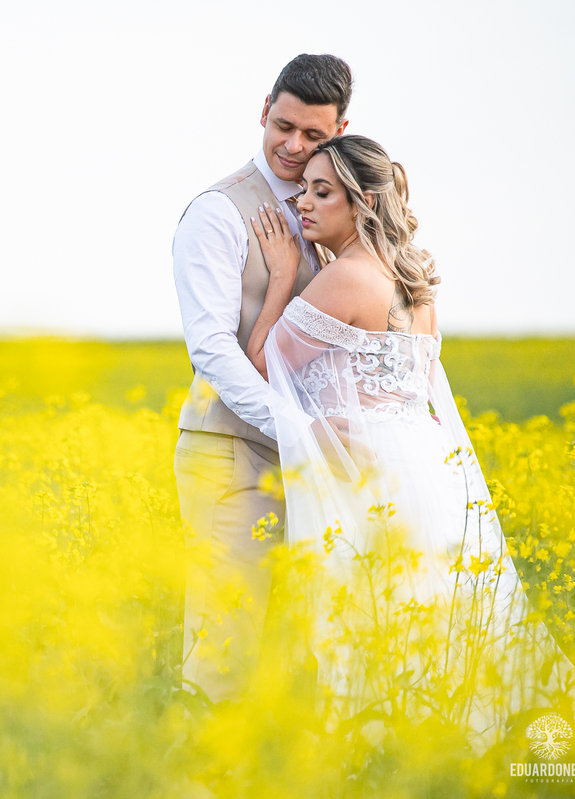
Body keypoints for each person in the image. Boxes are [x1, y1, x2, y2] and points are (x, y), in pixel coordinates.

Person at [245, 134, 575, 748]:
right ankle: (453, 750)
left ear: (363, 202)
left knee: (370, 620)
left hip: (364, 471)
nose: (303, 204)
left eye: (322, 193)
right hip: (425, 468)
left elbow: (265, 359)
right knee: (428, 613)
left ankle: (378, 754)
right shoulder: (415, 283)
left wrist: (282, 279)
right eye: (304, 191)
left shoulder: (347, 277)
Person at [172, 53, 350, 705]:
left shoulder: (336, 214)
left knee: (296, 661)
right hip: (233, 452)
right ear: (263, 111)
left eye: (314, 136)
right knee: (224, 654)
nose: (294, 147)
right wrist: (295, 429)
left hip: (314, 464)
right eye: (283, 126)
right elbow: (212, 351)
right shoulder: (218, 212)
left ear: (341, 130)